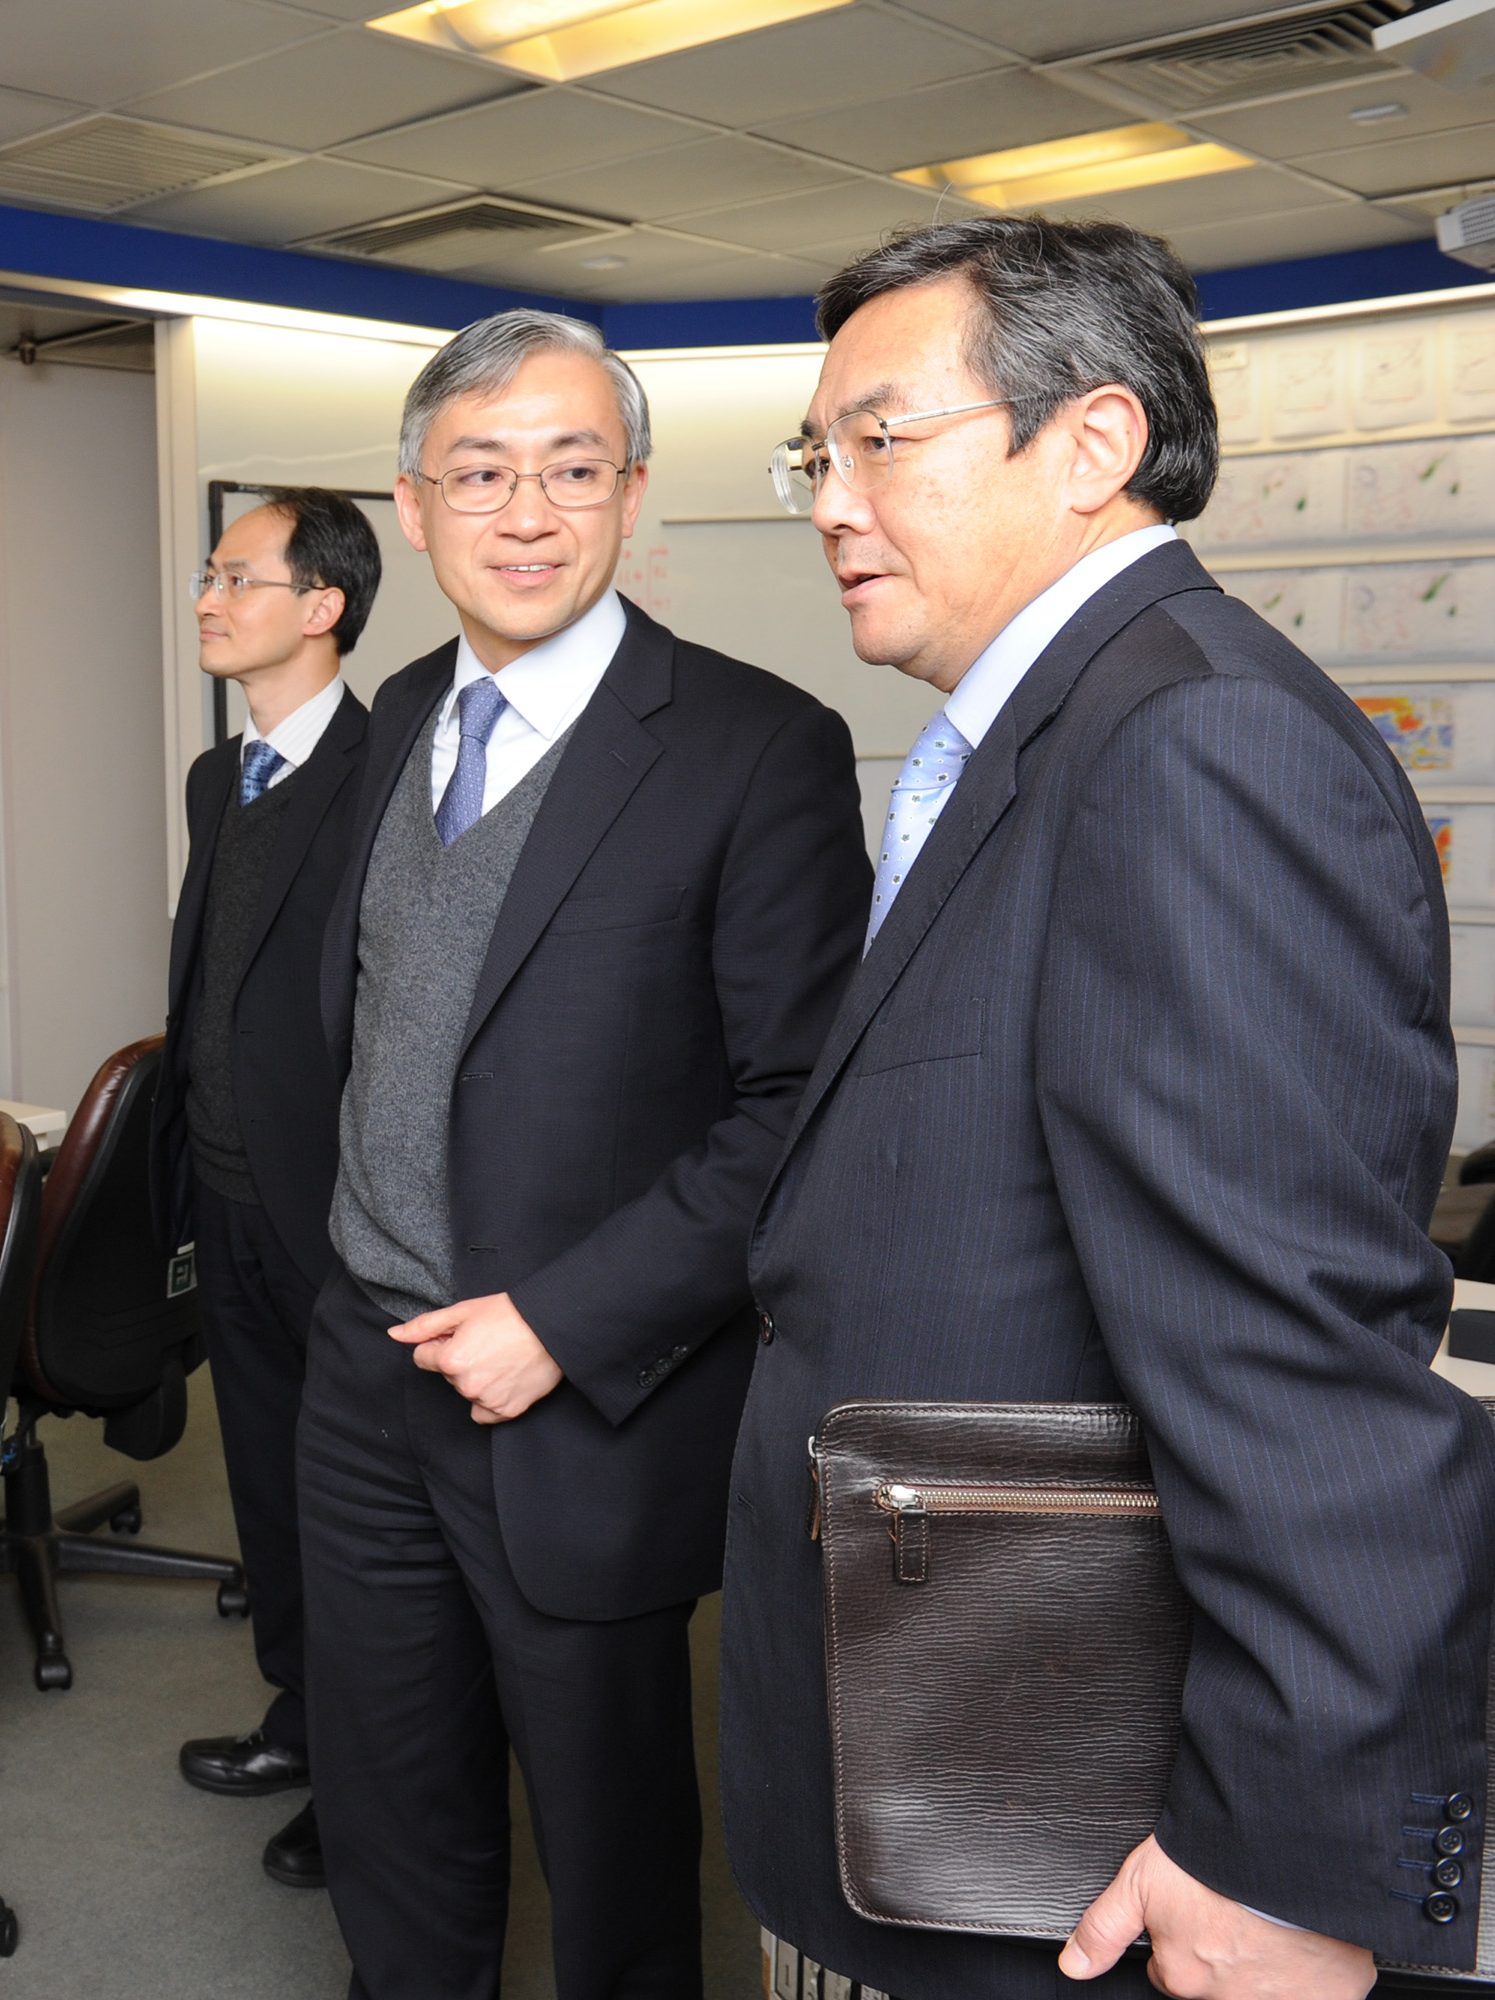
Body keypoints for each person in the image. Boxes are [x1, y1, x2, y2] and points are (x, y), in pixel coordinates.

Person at [723, 215, 1495, 2000]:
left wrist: (1282, 1857)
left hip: (1115, 1844)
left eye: (879, 442)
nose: (830, 500)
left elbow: (1301, 1365)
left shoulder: (1193, 746)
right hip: (963, 1744)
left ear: (1091, 442)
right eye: (812, 457)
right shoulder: (1042, 737)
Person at [302, 310, 869, 2000]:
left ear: (628, 495)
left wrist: (557, 1323)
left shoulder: (753, 748)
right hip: (361, 1368)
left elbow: (794, 1110)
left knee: (612, 1849)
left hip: (574, 1392)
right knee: (388, 1805)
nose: (526, 514)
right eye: (481, 474)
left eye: (570, 470)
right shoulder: (397, 713)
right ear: (414, 507)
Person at [157, 487, 380, 1892]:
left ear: (321, 606)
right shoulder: (215, 776)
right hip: (226, 1205)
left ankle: (369, 1781)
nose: (206, 598)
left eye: (236, 576)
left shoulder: (383, 774)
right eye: (206, 574)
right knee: (268, 1498)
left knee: (357, 1517)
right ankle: (300, 1718)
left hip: (337, 1221)